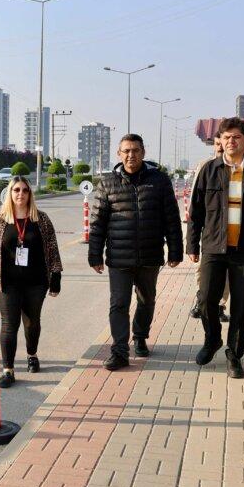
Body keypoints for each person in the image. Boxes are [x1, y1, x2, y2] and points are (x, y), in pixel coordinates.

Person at [187, 118, 244, 379]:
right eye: (226, 137)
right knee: (205, 301)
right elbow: (197, 211)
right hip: (214, 247)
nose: (230, 141)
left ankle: (234, 354)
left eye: (236, 137)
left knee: (241, 305)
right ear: (220, 140)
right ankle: (212, 339)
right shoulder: (209, 170)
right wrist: (192, 244)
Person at [88, 133, 183, 371]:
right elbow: (98, 222)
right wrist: (95, 254)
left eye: (136, 150)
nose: (131, 155)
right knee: (119, 303)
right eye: (126, 151)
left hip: (150, 256)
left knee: (146, 300)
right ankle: (120, 351)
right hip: (119, 258)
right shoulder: (107, 183)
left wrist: (175, 250)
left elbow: (171, 218)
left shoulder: (159, 180)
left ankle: (140, 336)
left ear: (143, 152)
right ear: (119, 155)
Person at [0, 176, 63, 387]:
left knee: (32, 321)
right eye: (16, 190)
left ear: (30, 194)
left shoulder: (41, 219)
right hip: (7, 283)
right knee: (9, 324)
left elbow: (53, 249)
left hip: (36, 281)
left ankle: (32, 355)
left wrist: (56, 276)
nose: (20, 194)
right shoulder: (1, 220)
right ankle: (8, 370)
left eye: (25, 190)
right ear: (10, 193)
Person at [188, 137, 229, 321]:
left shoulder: (236, 167)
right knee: (202, 270)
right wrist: (192, 241)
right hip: (209, 232)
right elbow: (195, 200)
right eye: (218, 143)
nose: (221, 146)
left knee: (226, 274)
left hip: (230, 233)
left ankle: (220, 305)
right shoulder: (205, 166)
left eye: (224, 142)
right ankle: (201, 298)